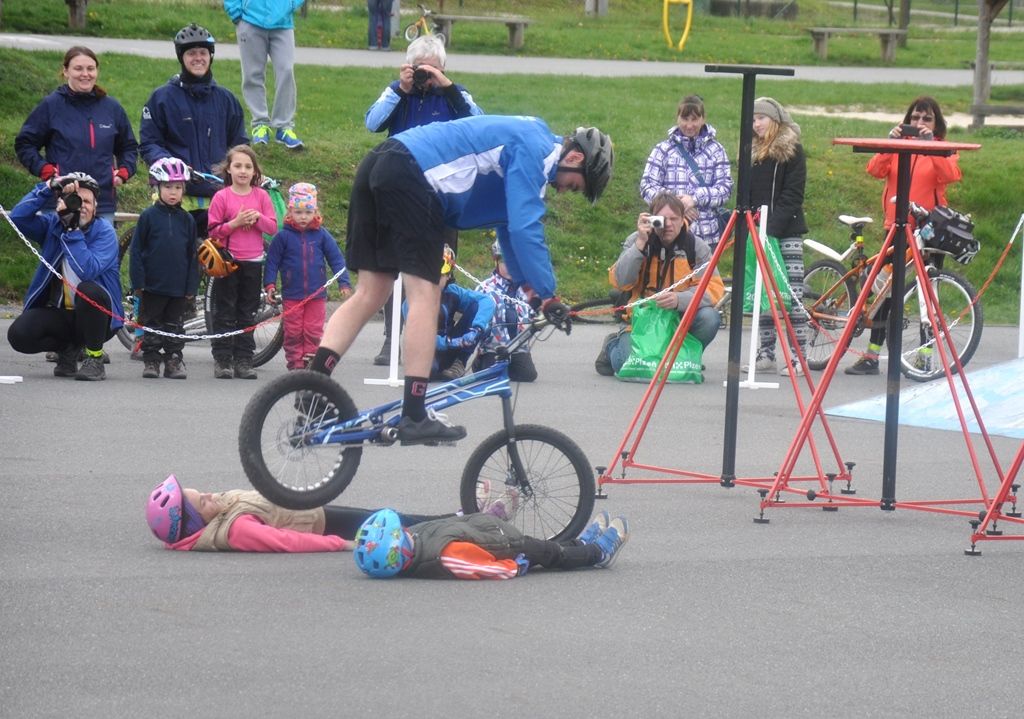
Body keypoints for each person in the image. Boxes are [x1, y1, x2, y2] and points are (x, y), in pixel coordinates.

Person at [306, 116, 613, 446]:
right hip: (415, 177)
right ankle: (414, 414)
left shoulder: (527, 143)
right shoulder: (536, 148)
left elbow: (509, 228)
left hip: (381, 163)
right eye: (575, 185)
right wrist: (550, 293)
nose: (566, 191)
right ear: (576, 158)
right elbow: (526, 228)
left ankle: (310, 389)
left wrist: (535, 294)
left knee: (371, 292)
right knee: (425, 293)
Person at [365, 34, 485, 365]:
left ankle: (439, 339)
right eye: (421, 70)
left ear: (444, 69)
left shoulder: (452, 97)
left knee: (441, 269)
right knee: (394, 266)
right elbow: (372, 122)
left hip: (442, 197)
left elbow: (479, 122)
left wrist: (448, 87)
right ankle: (393, 341)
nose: (426, 77)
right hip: (399, 194)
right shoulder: (399, 94)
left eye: (433, 70)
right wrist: (399, 89)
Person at [844, 95, 962, 376]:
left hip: (929, 229)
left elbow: (951, 175)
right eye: (915, 118)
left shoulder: (943, 147)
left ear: (936, 124)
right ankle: (871, 356)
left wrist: (931, 145)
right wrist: (889, 142)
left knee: (928, 292)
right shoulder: (899, 145)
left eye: (927, 119)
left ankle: (925, 354)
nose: (920, 123)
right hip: (895, 226)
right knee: (885, 290)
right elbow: (874, 169)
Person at [6, 173, 122, 381]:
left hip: (99, 317)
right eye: (75, 200)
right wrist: (49, 187)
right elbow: (18, 218)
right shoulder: (53, 225)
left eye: (87, 201)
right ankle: (68, 349)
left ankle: (94, 358)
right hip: (63, 314)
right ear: (62, 203)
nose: (81, 206)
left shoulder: (104, 232)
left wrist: (72, 230)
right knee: (19, 334)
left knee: (89, 289)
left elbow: (86, 270)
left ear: (96, 207)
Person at [145, 474, 452, 552]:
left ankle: (455, 519)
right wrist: (342, 544)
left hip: (310, 510)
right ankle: (458, 523)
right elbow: (287, 541)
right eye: (203, 501)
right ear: (199, 521)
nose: (210, 495)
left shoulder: (220, 513)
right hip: (320, 523)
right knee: (393, 522)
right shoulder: (236, 529)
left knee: (388, 515)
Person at [595, 192, 724, 377]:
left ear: (683, 220)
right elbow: (620, 281)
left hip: (678, 319)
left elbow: (714, 287)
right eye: (662, 220)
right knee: (626, 365)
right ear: (651, 219)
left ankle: (685, 356)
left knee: (709, 317)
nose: (669, 225)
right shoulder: (637, 240)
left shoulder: (696, 246)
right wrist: (640, 243)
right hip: (641, 322)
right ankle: (612, 346)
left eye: (674, 219)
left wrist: (679, 300)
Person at [139, 23, 249, 240]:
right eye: (191, 53)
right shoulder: (161, 98)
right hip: (178, 192)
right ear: (182, 58)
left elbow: (240, 145)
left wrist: (239, 170)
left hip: (218, 192)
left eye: (203, 53)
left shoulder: (226, 100)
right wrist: (170, 165)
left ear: (211, 56)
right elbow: (149, 143)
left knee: (221, 262)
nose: (198, 58)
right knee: (177, 258)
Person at [15, 46, 138, 224]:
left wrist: (124, 172)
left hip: (101, 204)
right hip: (60, 202)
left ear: (97, 71)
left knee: (100, 252)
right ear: (66, 71)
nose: (85, 74)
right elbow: (24, 144)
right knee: (59, 252)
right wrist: (46, 171)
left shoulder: (112, 108)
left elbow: (128, 147)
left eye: (90, 68)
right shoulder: (51, 105)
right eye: (78, 68)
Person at [352, 508, 629, 579]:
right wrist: (513, 566)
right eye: (398, 531)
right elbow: (482, 568)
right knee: (551, 553)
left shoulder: (418, 539)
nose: (404, 529)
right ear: (398, 547)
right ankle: (597, 553)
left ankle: (580, 542)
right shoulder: (444, 555)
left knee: (549, 546)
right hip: (505, 548)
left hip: (495, 535)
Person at [746, 97, 809, 377]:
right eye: (753, 119)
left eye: (761, 118)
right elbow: (746, 193)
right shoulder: (752, 151)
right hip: (758, 231)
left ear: (775, 119)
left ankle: (799, 356)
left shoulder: (792, 150)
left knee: (792, 294)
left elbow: (793, 194)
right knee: (764, 294)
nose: (756, 124)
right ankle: (766, 352)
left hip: (786, 232)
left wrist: (771, 226)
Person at [206, 144, 278, 379]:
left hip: (253, 262)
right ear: (229, 170)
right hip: (228, 263)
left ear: (255, 172)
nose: (243, 171)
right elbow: (214, 232)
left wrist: (257, 219)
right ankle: (223, 359)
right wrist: (235, 223)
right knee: (225, 311)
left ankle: (244, 359)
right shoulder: (221, 197)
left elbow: (272, 226)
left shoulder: (261, 196)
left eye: (248, 166)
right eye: (238, 166)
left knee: (247, 312)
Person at [264, 182, 352, 370]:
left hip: (316, 295)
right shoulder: (282, 237)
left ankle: (310, 362)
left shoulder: (322, 235)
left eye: (307, 212)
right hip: (292, 294)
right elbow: (272, 262)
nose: (303, 217)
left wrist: (343, 283)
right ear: (290, 212)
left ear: (315, 212)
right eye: (298, 212)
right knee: (293, 331)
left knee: (313, 329)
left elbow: (336, 259)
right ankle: (296, 364)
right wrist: (270, 285)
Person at [129, 158, 200, 379]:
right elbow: (136, 251)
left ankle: (173, 361)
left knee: (175, 328)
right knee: (151, 326)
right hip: (153, 286)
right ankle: (151, 361)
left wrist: (191, 286)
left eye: (178, 187)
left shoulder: (187, 220)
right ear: (157, 187)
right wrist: (138, 283)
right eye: (168, 187)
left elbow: (192, 255)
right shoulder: (148, 217)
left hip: (178, 287)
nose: (173, 192)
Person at [639, 94, 733, 250]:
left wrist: (695, 199)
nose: (689, 125)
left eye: (694, 119)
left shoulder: (717, 150)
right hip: (666, 232)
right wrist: (677, 206)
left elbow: (725, 189)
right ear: (677, 119)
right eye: (685, 119)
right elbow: (646, 186)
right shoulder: (663, 149)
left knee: (704, 275)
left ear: (703, 119)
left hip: (707, 235)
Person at [224, 0, 306, 149]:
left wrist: (290, 5)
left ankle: (284, 127)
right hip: (249, 20)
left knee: (286, 71)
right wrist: (235, 11)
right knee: (252, 75)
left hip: (283, 23)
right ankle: (260, 124)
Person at [408, 246, 495, 381]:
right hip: (425, 351)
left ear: (449, 275)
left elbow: (487, 301)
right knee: (431, 371)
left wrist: (476, 329)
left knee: (477, 307)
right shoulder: (412, 298)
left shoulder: (453, 291)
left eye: (441, 274)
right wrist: (448, 342)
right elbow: (417, 336)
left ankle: (459, 362)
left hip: (451, 347)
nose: (435, 278)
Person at [473, 239, 538, 383]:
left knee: (528, 375)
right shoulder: (484, 288)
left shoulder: (527, 290)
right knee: (493, 377)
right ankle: (479, 362)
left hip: (517, 347)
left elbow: (535, 315)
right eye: (505, 260)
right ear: (496, 260)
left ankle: (511, 362)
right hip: (493, 348)